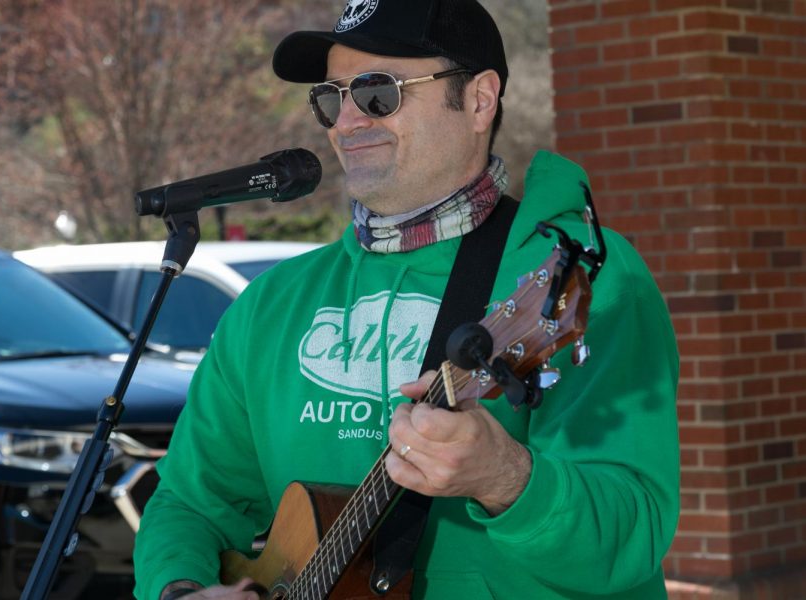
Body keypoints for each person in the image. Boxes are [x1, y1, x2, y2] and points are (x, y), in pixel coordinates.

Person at [133, 0, 680, 598]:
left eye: (376, 94)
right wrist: (180, 588)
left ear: (479, 99)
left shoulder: (567, 275)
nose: (344, 123)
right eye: (330, 98)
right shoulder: (270, 305)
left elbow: (635, 531)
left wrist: (508, 480)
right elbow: (190, 501)